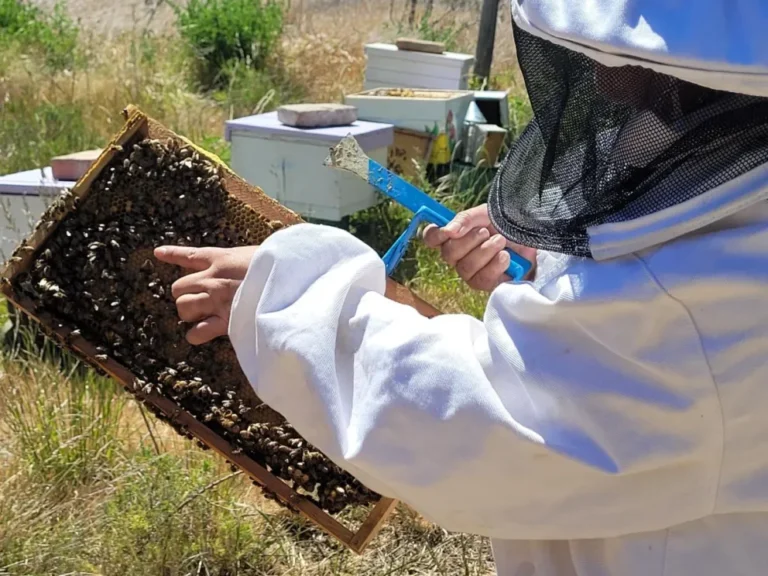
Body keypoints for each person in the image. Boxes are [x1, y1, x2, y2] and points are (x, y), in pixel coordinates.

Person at [154, 1, 768, 574]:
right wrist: (552, 258)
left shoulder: (695, 310)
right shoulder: (732, 204)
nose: (604, 84)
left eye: (630, 62)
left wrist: (290, 297)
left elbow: (480, 431)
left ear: (717, 72)